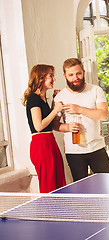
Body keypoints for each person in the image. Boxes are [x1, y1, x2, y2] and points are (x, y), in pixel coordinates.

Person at [54, 58, 109, 181]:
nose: (76, 77)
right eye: (71, 75)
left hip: (97, 147)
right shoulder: (60, 97)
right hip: (74, 152)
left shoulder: (96, 90)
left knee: (107, 185)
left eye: (78, 73)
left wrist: (79, 109)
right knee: (80, 191)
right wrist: (67, 127)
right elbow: (54, 124)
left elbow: (103, 115)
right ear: (65, 76)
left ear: (83, 72)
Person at [22, 64, 66, 193]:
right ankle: (48, 212)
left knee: (57, 184)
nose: (54, 79)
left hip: (49, 142)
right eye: (50, 76)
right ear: (41, 78)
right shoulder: (33, 99)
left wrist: (53, 103)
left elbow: (48, 122)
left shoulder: (42, 98)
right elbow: (39, 126)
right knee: (49, 187)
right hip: (41, 145)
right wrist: (56, 109)